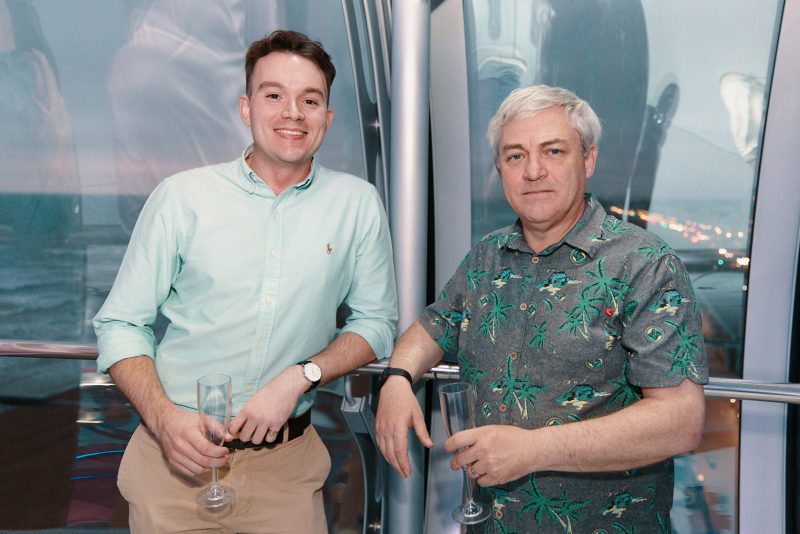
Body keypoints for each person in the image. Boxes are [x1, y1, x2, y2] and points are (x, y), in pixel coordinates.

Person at [94, 29, 397, 533]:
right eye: (273, 95)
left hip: (287, 475)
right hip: (174, 467)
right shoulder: (181, 198)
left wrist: (302, 375)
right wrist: (165, 420)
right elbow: (121, 324)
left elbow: (377, 323)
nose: (292, 113)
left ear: (327, 117)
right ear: (245, 107)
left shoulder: (358, 204)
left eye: (310, 100)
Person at [375, 84, 708, 533]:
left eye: (553, 151)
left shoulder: (643, 263)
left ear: (588, 159)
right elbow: (432, 327)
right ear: (499, 169)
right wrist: (397, 379)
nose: (533, 171)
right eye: (515, 156)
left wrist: (532, 450)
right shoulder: (486, 256)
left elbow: (680, 422)